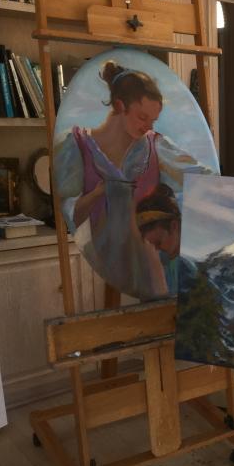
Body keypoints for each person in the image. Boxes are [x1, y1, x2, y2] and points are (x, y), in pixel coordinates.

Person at [54, 60, 212, 299]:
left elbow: (203, 180)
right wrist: (97, 193)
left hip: (152, 266)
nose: (148, 126)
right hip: (106, 264)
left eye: (152, 120)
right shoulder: (76, 145)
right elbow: (70, 216)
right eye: (142, 117)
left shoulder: (155, 146)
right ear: (120, 106)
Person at [136, 183, 182, 296]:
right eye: (151, 245)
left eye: (158, 243)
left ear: (174, 226)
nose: (156, 250)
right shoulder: (164, 261)